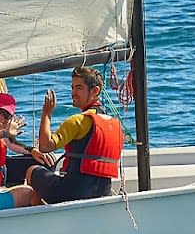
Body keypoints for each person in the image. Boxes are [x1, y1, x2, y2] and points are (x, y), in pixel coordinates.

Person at [26, 66, 126, 204]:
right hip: (103, 192)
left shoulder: (78, 121)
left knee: (33, 171)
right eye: (72, 87)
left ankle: (43, 218)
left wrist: (47, 114)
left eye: (79, 88)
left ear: (95, 91)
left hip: (72, 192)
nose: (73, 92)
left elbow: (44, 146)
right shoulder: (114, 124)